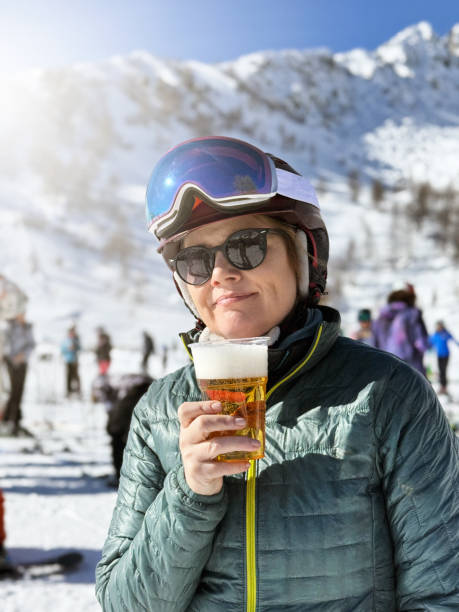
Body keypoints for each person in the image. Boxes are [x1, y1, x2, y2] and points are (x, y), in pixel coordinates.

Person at [96, 136, 458, 610]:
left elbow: (441, 594)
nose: (221, 273)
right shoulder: (158, 411)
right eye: (195, 260)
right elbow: (125, 604)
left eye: (246, 246)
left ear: (305, 257)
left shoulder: (386, 395)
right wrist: (188, 493)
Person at [92, 373, 153, 486]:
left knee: (118, 436)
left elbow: (114, 422)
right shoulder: (112, 384)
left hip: (138, 392)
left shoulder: (104, 387)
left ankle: (122, 477)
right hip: (150, 390)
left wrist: (112, 429)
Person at [372, 284, 430, 375]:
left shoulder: (380, 318)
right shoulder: (413, 315)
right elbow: (422, 344)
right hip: (411, 369)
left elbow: (374, 344)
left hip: (387, 368)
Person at [2, 312, 35, 436]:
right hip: (11, 362)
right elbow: (6, 343)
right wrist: (13, 356)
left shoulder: (28, 327)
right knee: (13, 391)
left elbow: (31, 344)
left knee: (20, 391)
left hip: (23, 363)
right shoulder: (10, 326)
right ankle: (8, 419)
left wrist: (23, 355)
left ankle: (15, 419)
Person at [429, 320, 459, 395]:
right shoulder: (435, 335)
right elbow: (429, 343)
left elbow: (454, 340)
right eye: (437, 326)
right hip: (439, 355)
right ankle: (442, 387)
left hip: (446, 355)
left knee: (443, 371)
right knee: (440, 371)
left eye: (440, 325)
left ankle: (444, 387)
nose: (439, 327)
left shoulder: (445, 333)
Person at [60, 325, 81, 397]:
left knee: (76, 376)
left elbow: (80, 348)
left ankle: (78, 391)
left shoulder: (76, 340)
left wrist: (75, 347)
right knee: (68, 376)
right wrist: (68, 349)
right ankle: (68, 391)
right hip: (68, 360)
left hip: (75, 360)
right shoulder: (65, 340)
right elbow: (62, 350)